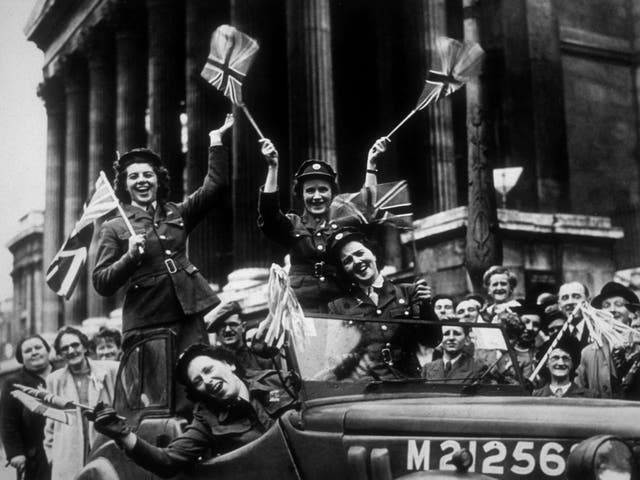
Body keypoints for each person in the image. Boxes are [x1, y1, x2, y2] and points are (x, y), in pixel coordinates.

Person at [93, 114, 234, 353]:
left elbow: (216, 187)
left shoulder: (176, 212)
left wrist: (216, 141)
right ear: (125, 185)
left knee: (197, 377)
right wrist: (129, 257)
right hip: (147, 321)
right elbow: (101, 282)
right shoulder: (114, 226)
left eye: (148, 175)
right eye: (134, 176)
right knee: (159, 389)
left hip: (188, 313)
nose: (142, 181)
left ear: (158, 180)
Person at [87, 344, 295, 478]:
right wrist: (123, 435)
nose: (207, 381)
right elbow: (167, 461)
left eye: (208, 370)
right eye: (198, 381)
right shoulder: (207, 418)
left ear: (228, 364)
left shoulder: (276, 380)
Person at [257, 136, 389, 312]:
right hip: (302, 309)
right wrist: (273, 167)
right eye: (310, 190)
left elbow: (367, 208)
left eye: (323, 189)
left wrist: (371, 165)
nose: (317, 196)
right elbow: (269, 213)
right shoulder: (292, 223)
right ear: (301, 195)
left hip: (342, 305)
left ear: (332, 193)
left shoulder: (344, 221)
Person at [326, 230, 432, 379]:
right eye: (347, 261)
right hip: (366, 389)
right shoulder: (337, 307)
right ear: (344, 270)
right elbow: (332, 359)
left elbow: (431, 340)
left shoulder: (407, 292)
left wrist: (426, 305)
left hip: (409, 386)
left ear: (374, 254)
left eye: (359, 253)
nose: (356, 262)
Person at [44, 326, 119, 480]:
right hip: (69, 457)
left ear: (84, 346)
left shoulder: (110, 370)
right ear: (60, 354)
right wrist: (52, 456)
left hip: (105, 450)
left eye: (75, 345)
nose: (71, 351)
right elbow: (50, 425)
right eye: (65, 348)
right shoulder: (54, 380)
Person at [0, 335, 53, 480]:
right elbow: (8, 422)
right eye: (28, 351)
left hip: (67, 446)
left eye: (38, 347)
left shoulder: (62, 374)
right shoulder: (14, 383)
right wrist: (15, 453)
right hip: (35, 455)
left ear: (48, 351)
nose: (34, 352)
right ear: (21, 358)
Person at [575, 282, 638, 398]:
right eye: (606, 305)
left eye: (619, 304)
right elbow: (578, 389)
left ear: (631, 312)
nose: (612, 310)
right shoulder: (588, 353)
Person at [207, 300, 272, 372]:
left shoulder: (258, 356)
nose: (227, 330)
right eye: (222, 326)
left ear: (243, 327)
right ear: (217, 332)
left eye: (233, 324)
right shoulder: (216, 362)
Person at [557, 281, 590, 348]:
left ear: (588, 301)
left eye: (576, 296)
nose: (570, 302)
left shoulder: (599, 332)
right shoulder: (556, 338)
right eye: (565, 298)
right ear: (559, 305)